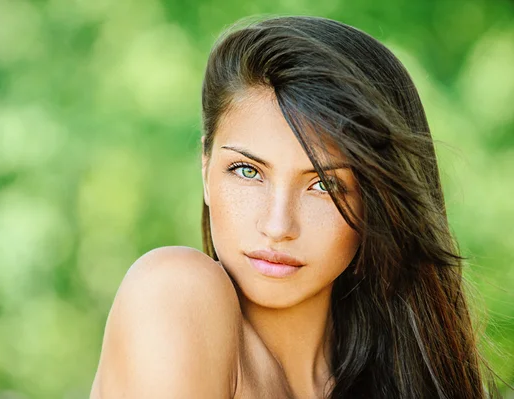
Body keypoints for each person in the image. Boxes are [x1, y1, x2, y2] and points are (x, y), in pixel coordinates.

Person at [90, 16, 501, 398]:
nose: (277, 224)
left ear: (377, 204)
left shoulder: (399, 378)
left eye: (323, 184)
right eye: (247, 171)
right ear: (205, 169)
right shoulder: (176, 291)